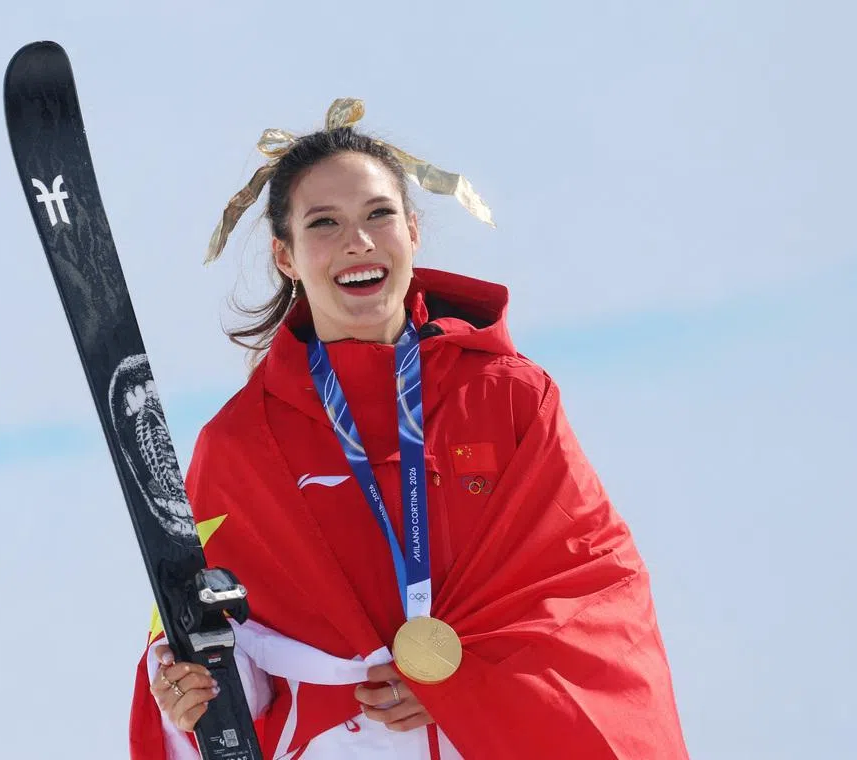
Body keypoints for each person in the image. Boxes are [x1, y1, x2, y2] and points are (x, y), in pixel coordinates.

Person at [128, 99, 689, 759]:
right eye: (324, 223)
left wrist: (467, 683)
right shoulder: (240, 447)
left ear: (413, 231)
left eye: (378, 215)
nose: (357, 241)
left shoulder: (509, 397)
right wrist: (194, 696)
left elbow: (590, 597)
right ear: (286, 256)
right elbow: (222, 639)